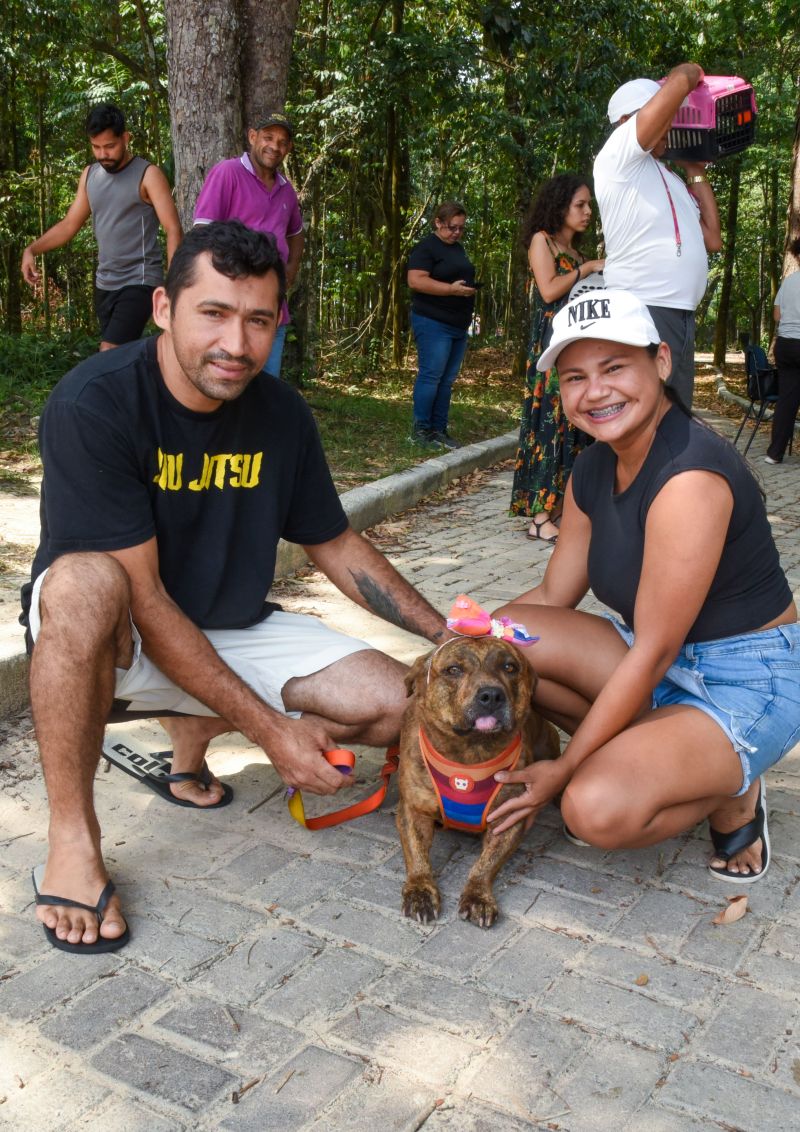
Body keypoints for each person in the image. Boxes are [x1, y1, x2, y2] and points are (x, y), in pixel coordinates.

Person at [22, 221, 452, 953]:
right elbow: (148, 602)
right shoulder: (94, 403)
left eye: (258, 320)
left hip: (230, 622)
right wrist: (273, 732)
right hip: (117, 628)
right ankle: (72, 837)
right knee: (82, 584)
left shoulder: (281, 414)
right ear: (163, 307)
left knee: (393, 705)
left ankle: (190, 744)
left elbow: (334, 542)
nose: (237, 344)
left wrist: (447, 636)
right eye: (213, 314)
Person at [486, 289, 800, 887]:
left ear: (660, 362)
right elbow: (554, 598)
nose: (595, 391)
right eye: (575, 377)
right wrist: (451, 644)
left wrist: (567, 768)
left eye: (614, 368)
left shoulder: (690, 477)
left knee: (590, 808)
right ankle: (664, 755)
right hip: (656, 661)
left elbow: (653, 649)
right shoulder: (590, 468)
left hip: (744, 679)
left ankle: (731, 791)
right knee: (502, 641)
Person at [594, 64, 723, 410]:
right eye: (666, 116)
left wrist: (696, 174)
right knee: (641, 417)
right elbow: (682, 79)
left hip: (680, 313)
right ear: (628, 121)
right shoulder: (617, 157)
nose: (672, 125)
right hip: (645, 307)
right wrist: (691, 74)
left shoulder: (670, 179)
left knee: (674, 414)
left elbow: (712, 238)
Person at [21, 103, 183, 350]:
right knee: (118, 361)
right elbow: (68, 225)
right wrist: (31, 250)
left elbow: (173, 229)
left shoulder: (148, 175)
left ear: (125, 138)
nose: (102, 154)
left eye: (110, 146)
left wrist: (174, 285)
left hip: (139, 280)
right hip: (105, 283)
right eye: (96, 147)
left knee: (109, 352)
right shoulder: (90, 175)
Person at [509, 175, 605, 542]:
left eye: (589, 206)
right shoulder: (542, 242)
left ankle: (564, 510)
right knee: (549, 427)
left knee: (575, 428)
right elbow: (548, 290)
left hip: (577, 350)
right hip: (550, 349)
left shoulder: (580, 255)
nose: (586, 211)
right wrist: (586, 269)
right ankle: (539, 516)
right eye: (579, 204)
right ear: (560, 205)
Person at [193, 110, 304, 378]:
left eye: (282, 142)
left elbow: (296, 233)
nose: (274, 146)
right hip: (231, 303)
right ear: (252, 137)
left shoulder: (286, 189)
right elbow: (202, 234)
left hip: (271, 305)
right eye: (268, 137)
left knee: (267, 383)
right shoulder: (227, 173)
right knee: (229, 380)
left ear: (288, 148)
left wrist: (290, 271)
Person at [407, 201, 477, 450]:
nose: (456, 232)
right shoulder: (426, 248)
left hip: (458, 323)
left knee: (446, 380)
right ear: (438, 222)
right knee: (431, 375)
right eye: (451, 227)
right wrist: (451, 290)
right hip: (433, 321)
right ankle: (421, 430)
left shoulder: (457, 249)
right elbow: (415, 281)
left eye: (461, 228)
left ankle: (439, 430)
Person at [765, 236, 800, 465]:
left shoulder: (789, 281)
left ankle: (774, 454)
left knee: (787, 400)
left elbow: (777, 315)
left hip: (785, 346)